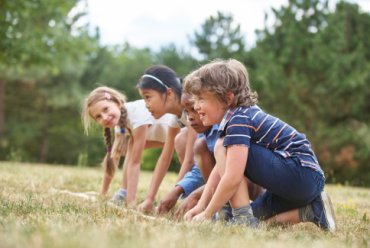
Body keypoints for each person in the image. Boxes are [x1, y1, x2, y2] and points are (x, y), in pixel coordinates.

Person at [182, 59, 336, 232]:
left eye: (201, 98)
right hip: (303, 183)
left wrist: (208, 213)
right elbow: (220, 169)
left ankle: (242, 218)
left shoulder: (238, 120)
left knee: (221, 147)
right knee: (254, 218)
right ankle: (313, 210)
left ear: (227, 97)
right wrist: (201, 206)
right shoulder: (240, 117)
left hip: (299, 173)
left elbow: (232, 176)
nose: (195, 106)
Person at [157, 93, 264, 218]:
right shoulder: (206, 133)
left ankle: (238, 209)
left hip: (253, 182)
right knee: (199, 146)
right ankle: (222, 206)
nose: (190, 117)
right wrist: (177, 191)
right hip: (232, 181)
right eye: (186, 111)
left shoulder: (230, 126)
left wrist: (197, 196)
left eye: (194, 109)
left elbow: (235, 172)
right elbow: (200, 169)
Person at [81, 86, 180, 209]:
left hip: (184, 132)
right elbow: (114, 157)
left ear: (116, 102)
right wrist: (103, 193)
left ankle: (127, 196)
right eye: (98, 117)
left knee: (132, 146)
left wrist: (131, 203)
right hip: (169, 138)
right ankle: (123, 192)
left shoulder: (136, 114)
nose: (104, 117)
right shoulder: (120, 124)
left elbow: (135, 162)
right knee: (131, 145)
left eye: (105, 109)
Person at [136, 65, 199, 213]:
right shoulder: (175, 117)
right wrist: (149, 199)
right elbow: (164, 158)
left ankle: (195, 196)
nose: (146, 105)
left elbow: (190, 160)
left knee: (181, 139)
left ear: (169, 93)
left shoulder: (190, 109)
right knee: (179, 139)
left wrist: (173, 196)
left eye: (148, 97)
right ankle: (190, 194)